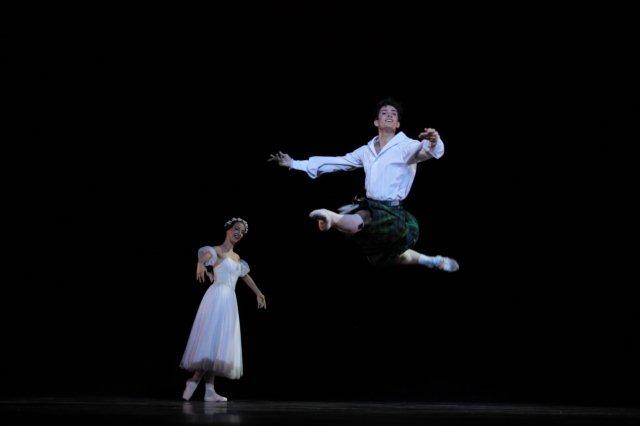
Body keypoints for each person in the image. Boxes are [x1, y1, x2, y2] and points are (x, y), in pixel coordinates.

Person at [269, 98, 459, 271]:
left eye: (394, 114)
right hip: (370, 205)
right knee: (388, 258)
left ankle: (330, 217)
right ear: (376, 122)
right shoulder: (366, 150)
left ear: (398, 124)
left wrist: (434, 140)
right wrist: (294, 163)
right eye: (385, 113)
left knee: (359, 221)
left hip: (393, 214)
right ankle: (432, 261)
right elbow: (337, 162)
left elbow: (427, 151)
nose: (390, 115)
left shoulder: (406, 146)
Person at [180, 217, 267, 402]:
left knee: (217, 346)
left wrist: (259, 293)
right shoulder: (217, 251)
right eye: (236, 229)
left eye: (242, 232)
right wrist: (200, 265)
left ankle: (209, 389)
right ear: (228, 229)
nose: (239, 233)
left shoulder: (237, 258)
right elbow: (203, 256)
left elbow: (245, 276)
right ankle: (194, 380)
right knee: (210, 341)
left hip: (229, 301)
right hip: (217, 297)